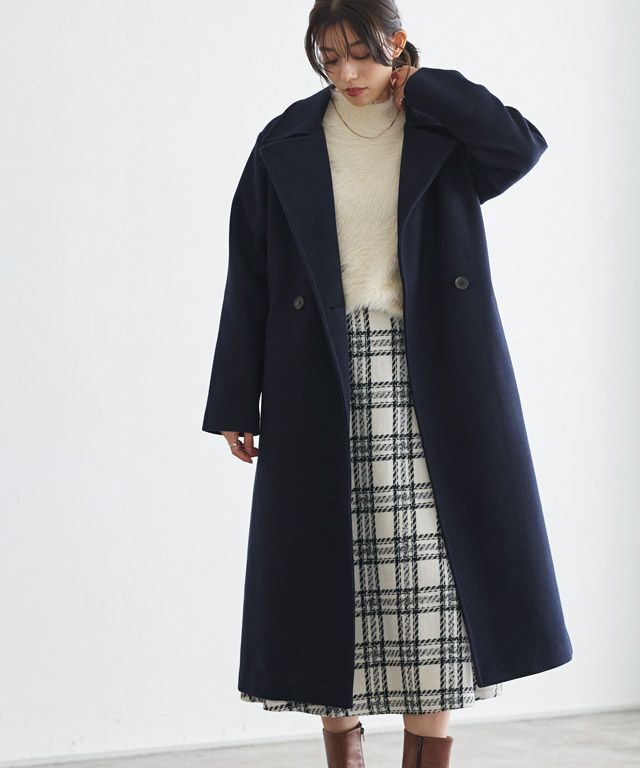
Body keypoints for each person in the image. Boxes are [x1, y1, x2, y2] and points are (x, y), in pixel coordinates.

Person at [203, 2, 571, 766]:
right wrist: (237, 397)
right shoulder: (286, 141)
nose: (346, 72)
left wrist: (425, 85)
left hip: (433, 370)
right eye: (329, 57)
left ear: (395, 44)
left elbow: (519, 147)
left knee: (432, 583)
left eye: (361, 54)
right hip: (318, 371)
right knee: (325, 575)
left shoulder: (438, 128)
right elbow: (251, 273)